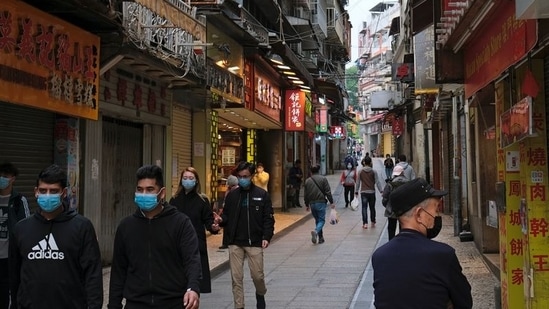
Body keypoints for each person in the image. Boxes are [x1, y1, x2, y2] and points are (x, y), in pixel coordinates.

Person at [9, 164, 102, 309]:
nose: (47, 195)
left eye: (53, 191)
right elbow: (14, 277)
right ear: (35, 192)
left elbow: (93, 275)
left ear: (64, 193)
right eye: (43, 190)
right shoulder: (21, 229)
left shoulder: (82, 227)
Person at [108, 165, 201, 309]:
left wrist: (193, 288)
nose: (144, 194)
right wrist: (114, 304)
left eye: (150, 190)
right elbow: (119, 271)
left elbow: (192, 260)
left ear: (162, 193)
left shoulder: (180, 223)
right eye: (140, 190)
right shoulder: (126, 227)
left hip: (173, 303)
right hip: (136, 303)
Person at [372, 178, 472, 308]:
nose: (437, 215)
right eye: (435, 209)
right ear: (419, 214)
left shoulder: (379, 256)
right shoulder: (443, 255)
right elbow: (464, 303)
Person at [216, 162, 274, 309]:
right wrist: (221, 221)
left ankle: (260, 294)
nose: (242, 179)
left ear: (252, 176)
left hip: (254, 241)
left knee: (257, 276)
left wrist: (266, 237)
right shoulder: (232, 196)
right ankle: (239, 306)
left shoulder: (262, 195)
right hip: (235, 241)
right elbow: (227, 216)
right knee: (236, 278)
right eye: (240, 176)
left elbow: (268, 218)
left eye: (245, 176)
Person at [169, 167, 220, 294]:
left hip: (196, 245)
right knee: (177, 283)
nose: (187, 181)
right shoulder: (174, 200)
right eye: (185, 178)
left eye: (191, 178)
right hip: (177, 246)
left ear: (196, 181)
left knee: (194, 284)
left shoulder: (202, 200)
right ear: (181, 180)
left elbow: (208, 221)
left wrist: (213, 227)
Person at [0, 162, 30, 309]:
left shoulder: (19, 201)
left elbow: (26, 228)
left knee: (12, 293)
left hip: (10, 258)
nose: (1, 179)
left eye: (5, 176)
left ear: (13, 178)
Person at [304, 165, 335, 244]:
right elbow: (328, 191)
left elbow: (306, 194)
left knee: (317, 220)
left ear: (311, 171)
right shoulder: (323, 179)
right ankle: (316, 231)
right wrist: (331, 202)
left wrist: (306, 204)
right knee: (321, 220)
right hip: (320, 202)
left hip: (312, 203)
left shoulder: (307, 181)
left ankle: (320, 238)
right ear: (319, 170)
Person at [355, 156, 384, 229]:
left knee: (364, 208)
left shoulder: (360, 171)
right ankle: (373, 221)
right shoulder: (373, 171)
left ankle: (365, 223)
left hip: (363, 192)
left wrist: (356, 191)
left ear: (364, 162)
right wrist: (381, 190)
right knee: (372, 207)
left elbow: (358, 182)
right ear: (370, 162)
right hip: (372, 192)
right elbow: (377, 182)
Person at [381, 165, 408, 240]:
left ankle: (391, 243)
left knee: (391, 229)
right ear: (402, 173)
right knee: (403, 229)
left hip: (392, 210)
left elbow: (385, 197)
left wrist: (387, 206)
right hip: (404, 210)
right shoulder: (408, 183)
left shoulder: (390, 184)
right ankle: (402, 243)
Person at [219, 175, 238, 250]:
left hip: (230, 212)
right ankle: (227, 242)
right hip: (228, 211)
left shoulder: (234, 191)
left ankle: (227, 242)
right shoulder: (230, 190)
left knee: (227, 227)